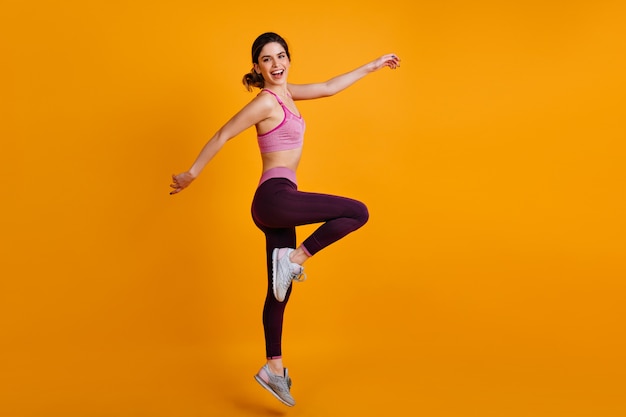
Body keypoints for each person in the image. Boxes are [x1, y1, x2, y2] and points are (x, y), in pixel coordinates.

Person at [170, 32, 400, 407]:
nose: (275, 64)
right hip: (274, 197)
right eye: (266, 59)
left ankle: (273, 368)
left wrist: (372, 66)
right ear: (257, 67)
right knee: (356, 211)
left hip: (281, 201)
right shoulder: (265, 102)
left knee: (279, 290)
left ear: (288, 59)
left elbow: (327, 87)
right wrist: (192, 174)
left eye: (280, 56)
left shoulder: (289, 93)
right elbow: (223, 133)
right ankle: (293, 260)